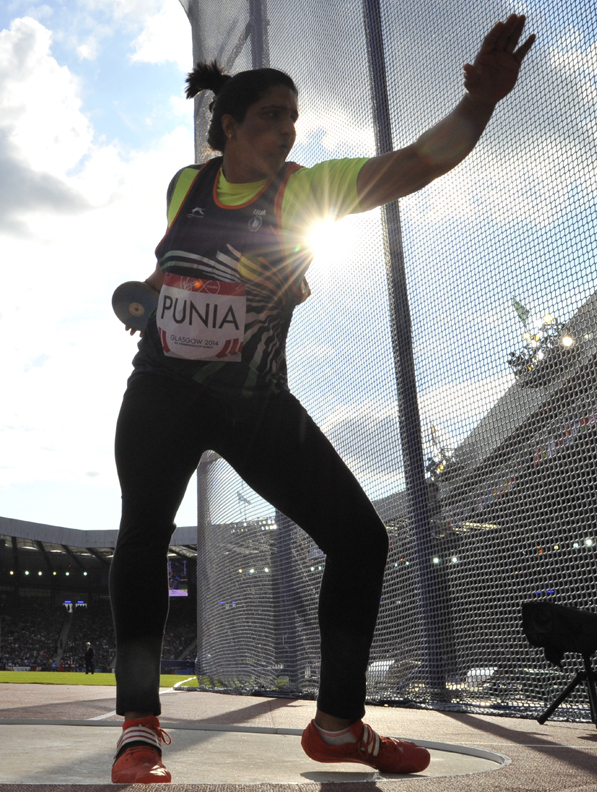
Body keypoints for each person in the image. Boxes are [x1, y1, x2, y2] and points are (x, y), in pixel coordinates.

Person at [109, 14, 535, 784]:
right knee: (141, 539)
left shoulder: (305, 189)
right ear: (228, 125)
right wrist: (142, 296)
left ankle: (338, 724)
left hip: (255, 400)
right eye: (272, 115)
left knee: (362, 539)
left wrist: (480, 106)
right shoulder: (185, 186)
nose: (287, 128)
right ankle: (139, 729)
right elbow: (174, 269)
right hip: (162, 390)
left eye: (294, 116)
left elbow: (415, 165)